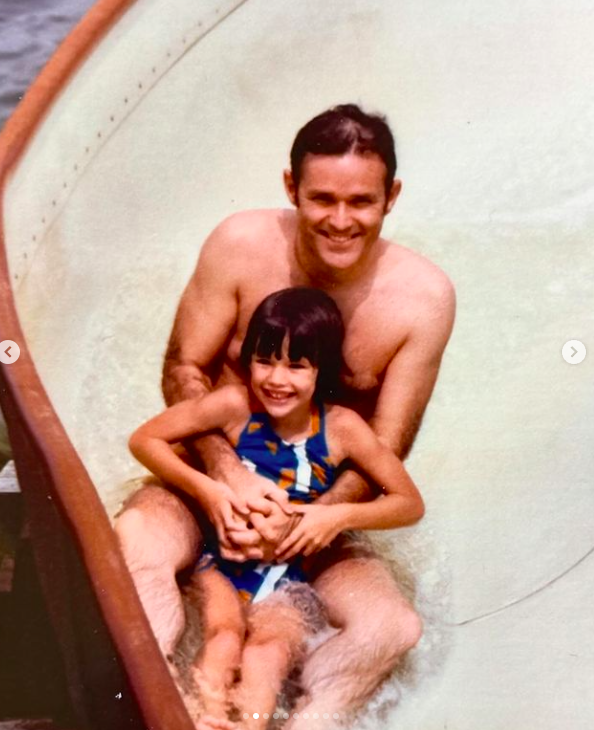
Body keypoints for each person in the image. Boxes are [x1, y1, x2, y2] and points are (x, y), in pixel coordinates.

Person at [115, 103, 456, 725]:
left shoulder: (422, 299)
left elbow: (386, 444)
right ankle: (161, 706)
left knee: (394, 626)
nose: (341, 221)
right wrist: (229, 478)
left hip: (316, 513)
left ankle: (306, 718)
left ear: (391, 197)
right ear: (291, 188)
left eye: (362, 202)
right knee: (136, 548)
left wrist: (307, 522)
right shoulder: (241, 245)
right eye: (322, 199)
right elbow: (184, 370)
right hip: (209, 483)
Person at [128, 288, 424, 730]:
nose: (276, 380)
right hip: (222, 563)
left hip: (289, 578)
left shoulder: (342, 428)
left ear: (320, 369)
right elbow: (145, 439)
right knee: (224, 638)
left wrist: (337, 515)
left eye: (296, 366)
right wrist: (209, 490)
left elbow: (408, 503)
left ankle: (248, 725)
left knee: (267, 654)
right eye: (265, 361)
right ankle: (200, 719)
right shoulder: (234, 408)